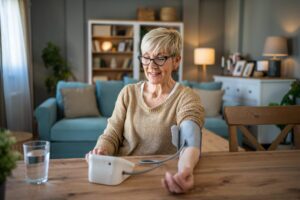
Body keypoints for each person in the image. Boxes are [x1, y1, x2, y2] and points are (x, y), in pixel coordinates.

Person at [86, 27, 204, 194]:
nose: (151, 66)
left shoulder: (187, 97)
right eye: (146, 58)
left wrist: (185, 171)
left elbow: (190, 142)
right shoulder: (128, 93)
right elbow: (111, 134)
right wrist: (101, 151)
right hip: (122, 175)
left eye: (160, 58)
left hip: (164, 178)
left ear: (176, 61)